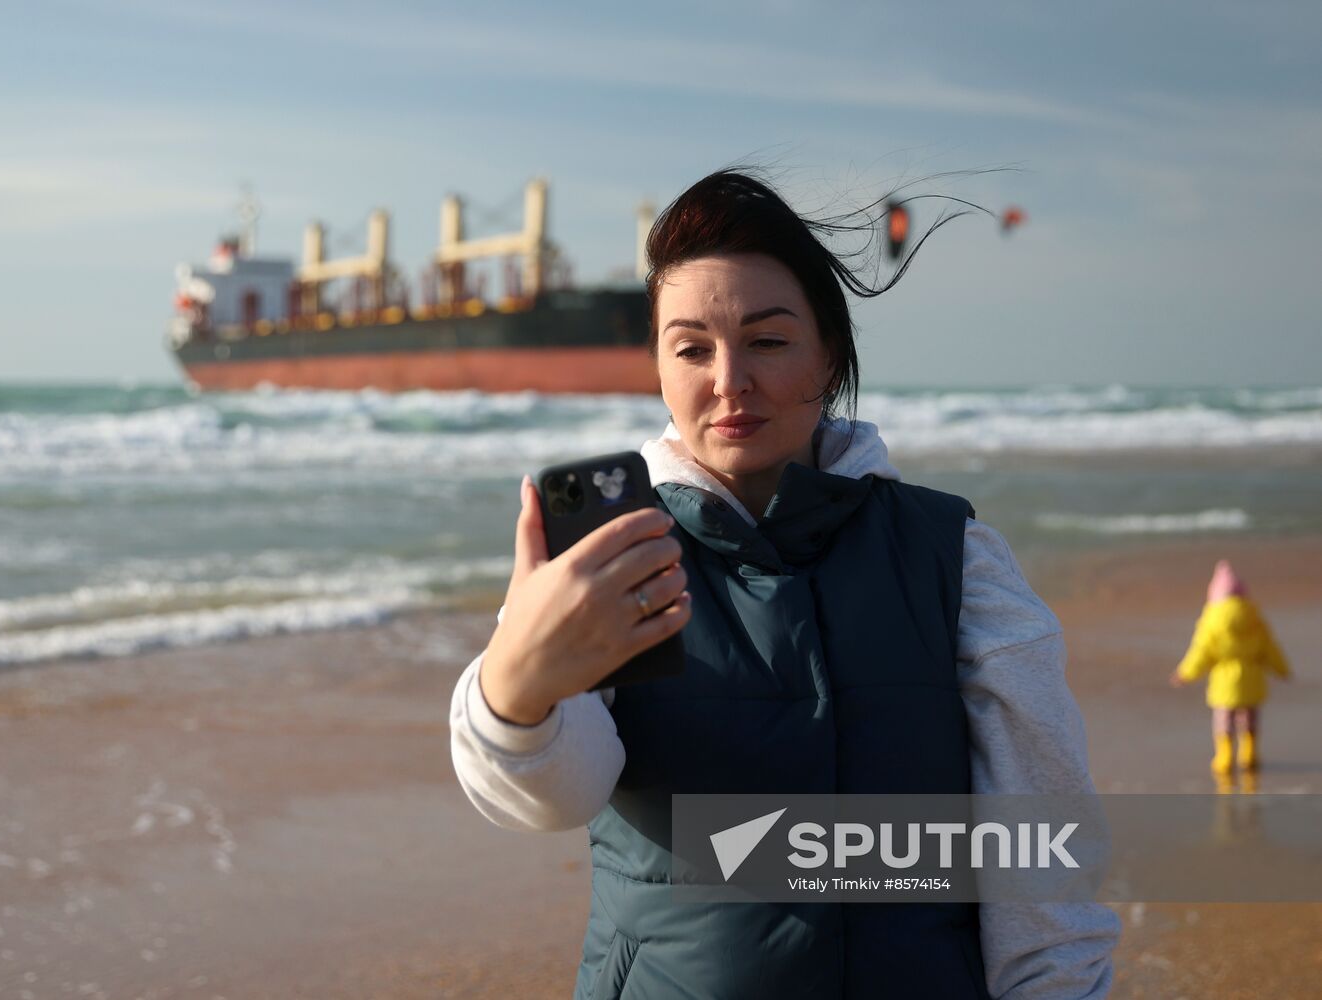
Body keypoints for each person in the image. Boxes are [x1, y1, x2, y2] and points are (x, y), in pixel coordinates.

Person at [450, 169, 1119, 998]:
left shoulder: (957, 559)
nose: (730, 380)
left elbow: (1043, 879)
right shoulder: (612, 561)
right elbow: (548, 797)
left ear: (829, 354)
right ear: (657, 365)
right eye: (692, 348)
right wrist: (518, 687)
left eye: (767, 341)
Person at [1171, 559, 1291, 775]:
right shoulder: (1255, 618)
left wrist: (1184, 674)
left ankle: (1225, 756)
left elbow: (1200, 654)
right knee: (1250, 718)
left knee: (1224, 721)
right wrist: (1283, 670)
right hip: (1252, 682)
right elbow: (1271, 650)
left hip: (1224, 683)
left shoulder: (1211, 621)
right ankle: (1249, 754)